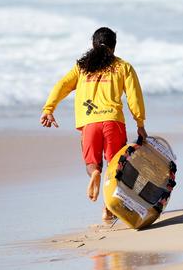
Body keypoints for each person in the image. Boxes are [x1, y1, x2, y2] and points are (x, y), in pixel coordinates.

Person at [40, 27, 147, 222]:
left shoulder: (81, 68)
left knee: (92, 164)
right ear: (114, 47)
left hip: (90, 124)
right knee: (115, 168)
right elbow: (135, 97)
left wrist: (49, 109)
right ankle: (108, 208)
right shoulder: (123, 67)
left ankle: (95, 173)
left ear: (93, 44)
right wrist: (140, 123)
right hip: (113, 121)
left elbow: (62, 85)